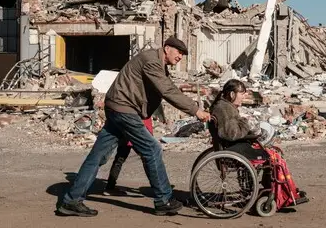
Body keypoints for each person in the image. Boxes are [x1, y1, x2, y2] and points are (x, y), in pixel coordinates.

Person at [57, 36, 211, 217]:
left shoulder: (158, 65)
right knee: (152, 149)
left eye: (183, 54)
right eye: (179, 52)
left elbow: (165, 88)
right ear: (167, 48)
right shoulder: (151, 61)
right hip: (124, 109)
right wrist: (195, 110)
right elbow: (167, 90)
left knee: (98, 156)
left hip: (118, 108)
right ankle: (164, 200)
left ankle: (71, 200)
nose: (180, 57)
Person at [208, 79, 308, 206]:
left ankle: (283, 191)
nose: (244, 96)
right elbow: (233, 134)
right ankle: (282, 194)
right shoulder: (224, 109)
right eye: (242, 93)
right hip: (234, 150)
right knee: (274, 158)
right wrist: (245, 122)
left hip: (234, 147)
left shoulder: (225, 106)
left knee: (273, 152)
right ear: (232, 94)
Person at [101, 116, 153, 196]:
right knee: (149, 160)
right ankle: (157, 188)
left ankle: (110, 187)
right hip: (138, 134)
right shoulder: (144, 106)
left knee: (119, 160)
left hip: (125, 133)